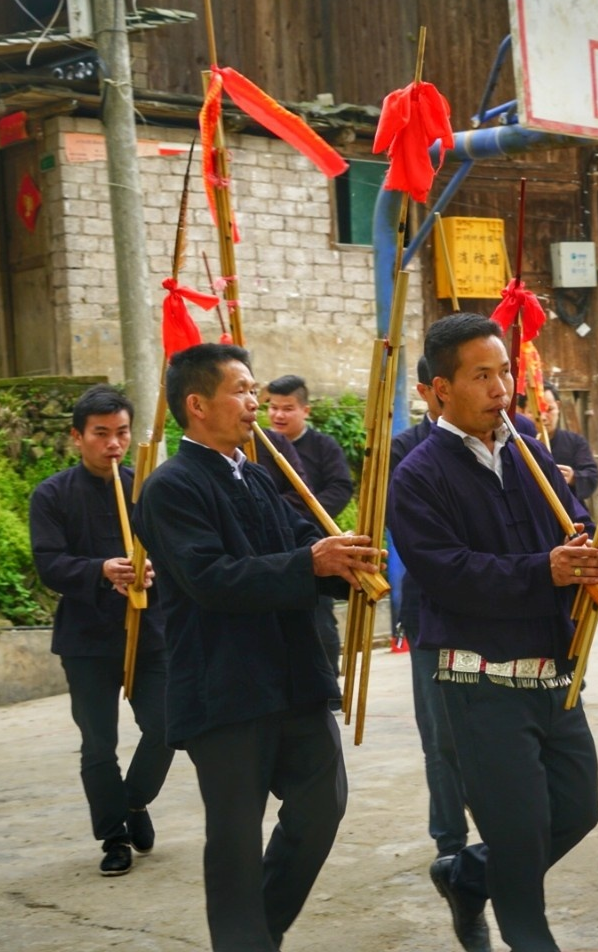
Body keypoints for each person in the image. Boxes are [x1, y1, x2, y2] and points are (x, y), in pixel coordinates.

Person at [134, 343, 381, 952]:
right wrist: (309, 560)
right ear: (197, 405)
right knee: (236, 838)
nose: (255, 404)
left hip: (293, 675)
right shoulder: (170, 488)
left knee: (322, 805)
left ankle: (257, 933)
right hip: (227, 688)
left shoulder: (260, 474)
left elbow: (301, 544)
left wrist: (342, 562)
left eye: (255, 390)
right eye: (242, 391)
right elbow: (210, 579)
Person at [390, 314, 598, 952]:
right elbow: (449, 574)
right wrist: (546, 569)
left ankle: (467, 875)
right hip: (478, 680)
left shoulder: (528, 451)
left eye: (505, 372)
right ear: (439, 390)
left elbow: (570, 524)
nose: (501, 388)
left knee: (576, 809)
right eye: (481, 376)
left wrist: (586, 555)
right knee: (519, 836)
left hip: (552, 670)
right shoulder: (417, 475)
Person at [28, 385, 174, 877]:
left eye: (122, 433)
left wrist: (152, 568)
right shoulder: (51, 495)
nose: (113, 444)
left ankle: (132, 803)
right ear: (77, 437)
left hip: (148, 629)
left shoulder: (146, 488)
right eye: (101, 434)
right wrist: (100, 570)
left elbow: (177, 554)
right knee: (98, 744)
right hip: (87, 640)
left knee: (167, 726)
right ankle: (113, 836)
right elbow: (49, 564)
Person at [390, 356, 473, 922]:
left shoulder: (505, 441)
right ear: (432, 390)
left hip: (500, 612)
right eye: (479, 376)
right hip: (432, 610)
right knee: (441, 735)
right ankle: (450, 841)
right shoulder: (407, 453)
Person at [266, 375, 356, 667]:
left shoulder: (323, 446)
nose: (278, 415)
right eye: (273, 407)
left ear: (305, 410)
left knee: (319, 617)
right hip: (270, 545)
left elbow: (341, 487)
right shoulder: (258, 445)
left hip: (313, 540)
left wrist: (306, 513)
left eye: (288, 408)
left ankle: (328, 682)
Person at [535, 382, 598, 506]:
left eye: (549, 409)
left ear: (558, 407)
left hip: (570, 511)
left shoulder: (575, 442)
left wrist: (573, 477)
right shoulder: (516, 445)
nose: (543, 417)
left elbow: (592, 474)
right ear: (522, 411)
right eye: (536, 411)